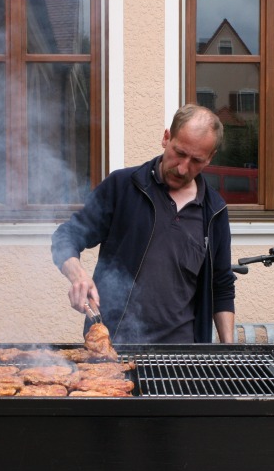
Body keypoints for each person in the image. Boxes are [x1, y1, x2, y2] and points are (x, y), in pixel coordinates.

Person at [51, 104, 236, 344]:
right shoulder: (122, 187)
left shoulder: (215, 210)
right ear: (166, 137)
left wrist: (228, 350)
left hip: (182, 354)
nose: (182, 168)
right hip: (114, 344)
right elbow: (66, 236)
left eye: (196, 161)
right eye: (179, 153)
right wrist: (78, 276)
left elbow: (221, 286)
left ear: (210, 158)